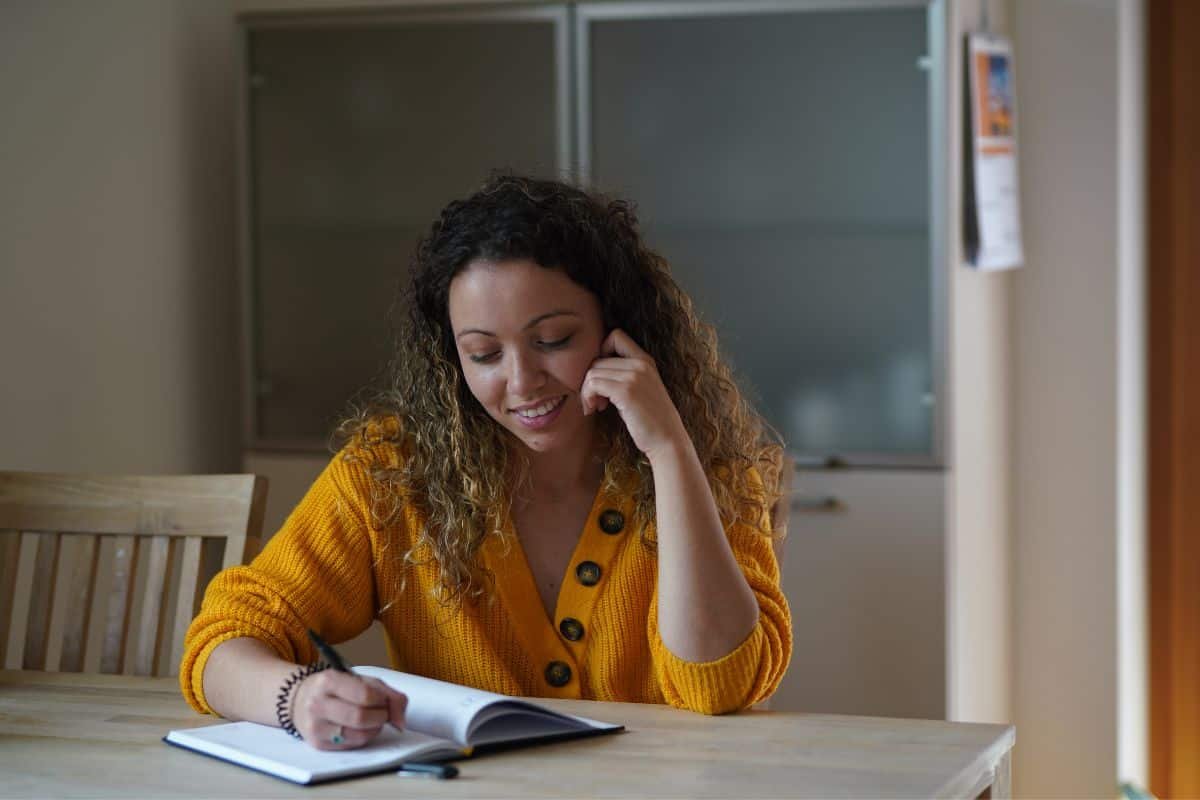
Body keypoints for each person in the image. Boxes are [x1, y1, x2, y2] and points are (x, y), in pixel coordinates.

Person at [180, 174, 792, 750]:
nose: (522, 382)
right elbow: (221, 640)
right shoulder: (391, 474)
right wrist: (296, 698)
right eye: (484, 353)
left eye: (553, 341)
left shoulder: (711, 469)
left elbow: (721, 685)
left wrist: (669, 451)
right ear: (453, 359)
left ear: (619, 330)